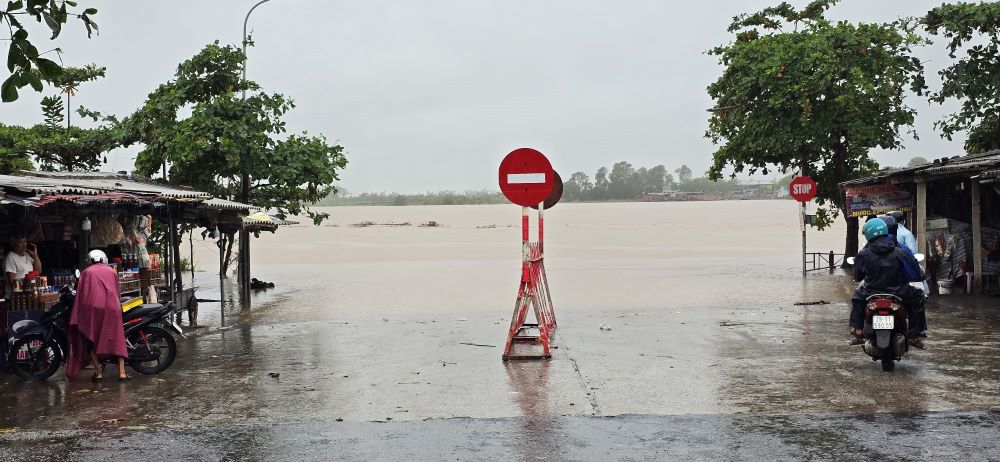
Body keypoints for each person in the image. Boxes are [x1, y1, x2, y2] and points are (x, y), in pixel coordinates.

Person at [851, 218, 927, 349]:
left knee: (857, 298)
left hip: (870, 292)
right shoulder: (900, 251)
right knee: (918, 296)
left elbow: (858, 277)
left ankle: (858, 330)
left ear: (868, 234)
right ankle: (914, 333)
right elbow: (916, 273)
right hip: (899, 292)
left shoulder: (863, 254)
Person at [66, 250, 130, 382]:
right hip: (112, 308)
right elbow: (117, 291)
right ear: (103, 259)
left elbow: (80, 295)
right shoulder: (112, 271)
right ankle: (122, 372)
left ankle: (98, 372)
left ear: (90, 260)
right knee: (117, 338)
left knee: (91, 340)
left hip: (92, 310)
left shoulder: (86, 273)